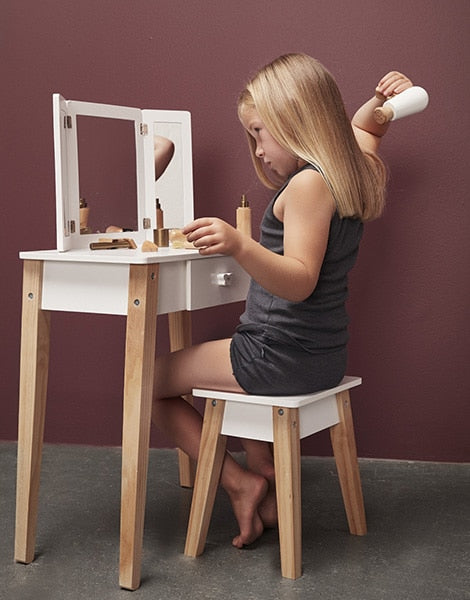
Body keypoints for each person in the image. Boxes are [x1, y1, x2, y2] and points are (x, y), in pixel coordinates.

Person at [152, 53, 413, 548]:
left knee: (147, 383)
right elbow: (365, 131)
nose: (257, 149)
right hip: (322, 356)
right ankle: (267, 469)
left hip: (276, 357)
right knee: (228, 356)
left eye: (259, 132)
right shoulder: (351, 167)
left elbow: (299, 281)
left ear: (296, 124)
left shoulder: (309, 184)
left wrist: (239, 245)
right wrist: (381, 105)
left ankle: (241, 483)